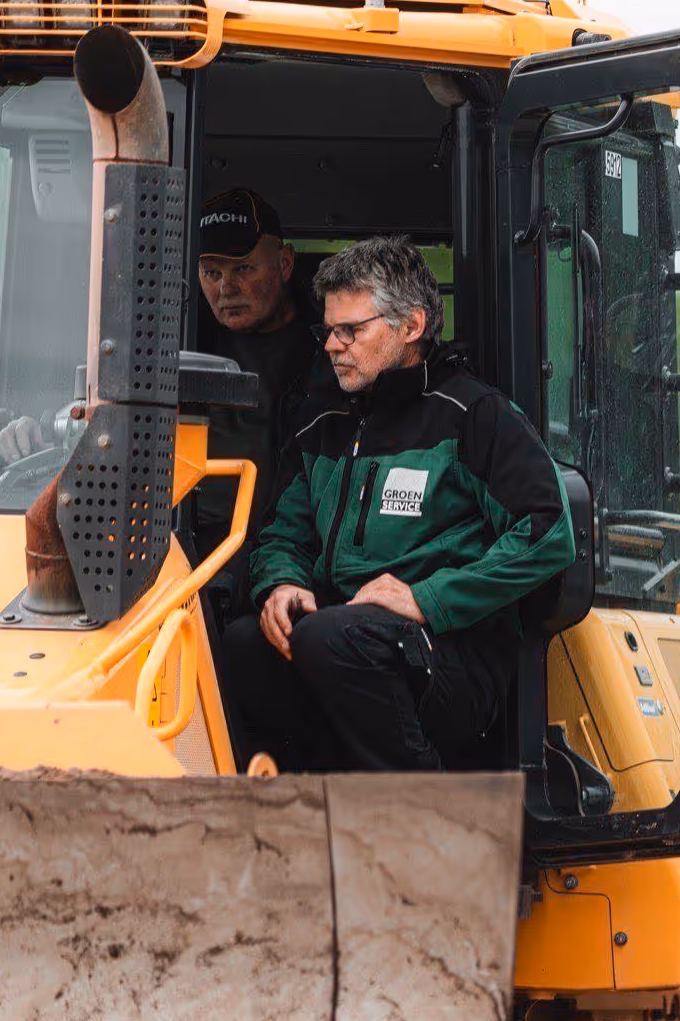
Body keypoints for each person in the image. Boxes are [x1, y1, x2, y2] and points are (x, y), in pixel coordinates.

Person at [221, 236, 575, 771]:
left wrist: (428, 598)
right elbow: (283, 534)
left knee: (331, 637)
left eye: (350, 331)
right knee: (246, 642)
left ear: (410, 327)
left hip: (451, 658)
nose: (331, 346)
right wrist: (283, 583)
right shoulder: (324, 424)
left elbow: (548, 531)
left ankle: (416, 813)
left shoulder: (473, 415)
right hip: (347, 643)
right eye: (327, 331)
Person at [0, 187, 319, 561]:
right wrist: (43, 434)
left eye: (243, 268)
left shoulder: (334, 346)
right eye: (212, 272)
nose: (227, 288)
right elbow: (109, 413)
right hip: (177, 544)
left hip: (290, 552)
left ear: (285, 263)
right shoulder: (168, 336)